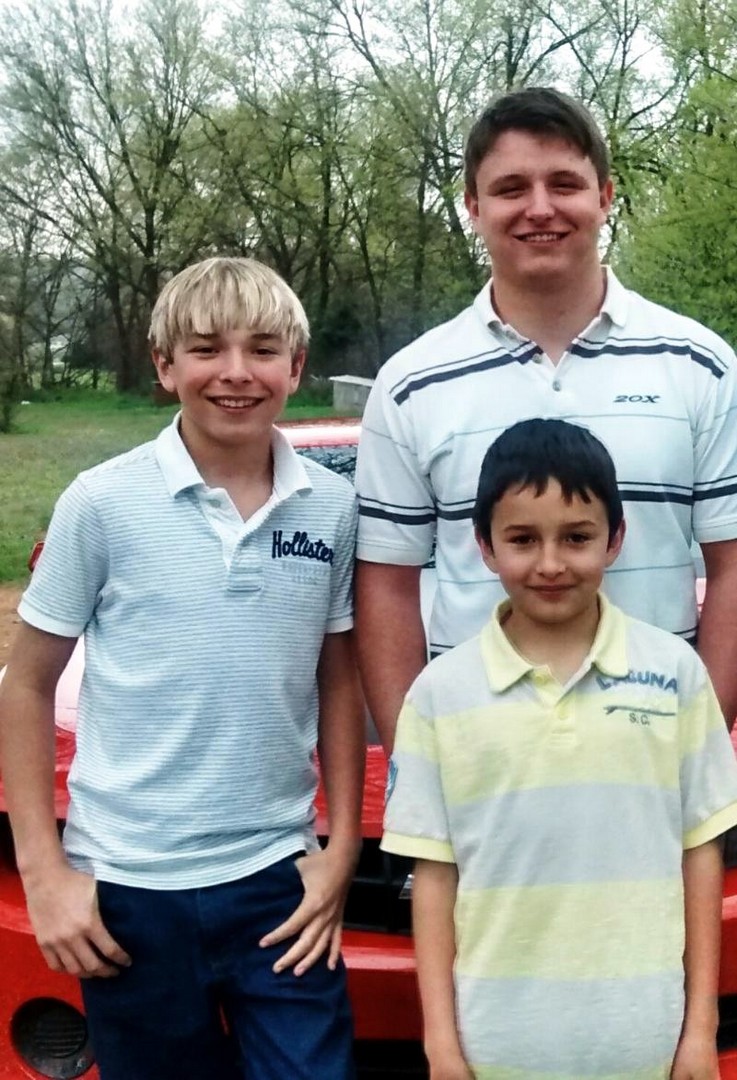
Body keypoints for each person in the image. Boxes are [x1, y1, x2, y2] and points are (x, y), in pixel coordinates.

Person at [0, 257, 364, 1080]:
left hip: (279, 882)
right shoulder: (102, 502)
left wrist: (340, 847)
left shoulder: (331, 508)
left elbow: (338, 679)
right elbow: (25, 686)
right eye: (206, 349)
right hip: (130, 892)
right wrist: (44, 873)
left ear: (296, 367)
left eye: (262, 349)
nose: (236, 372)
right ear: (164, 366)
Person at [355, 86, 737, 754]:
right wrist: (417, 759)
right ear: (473, 207)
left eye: (564, 183)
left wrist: (695, 746)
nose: (539, 208)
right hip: (478, 768)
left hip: (653, 763)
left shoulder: (700, 365)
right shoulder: (411, 384)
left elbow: (732, 568)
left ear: (605, 196)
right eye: (511, 188)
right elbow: (385, 587)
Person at [382, 417, 737, 1079]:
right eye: (522, 539)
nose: (550, 563)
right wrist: (441, 1045)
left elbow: (700, 854)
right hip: (496, 1049)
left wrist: (699, 1030)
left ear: (615, 539)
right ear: (485, 546)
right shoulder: (439, 694)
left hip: (644, 1045)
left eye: (576, 537)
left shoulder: (676, 675)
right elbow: (433, 877)